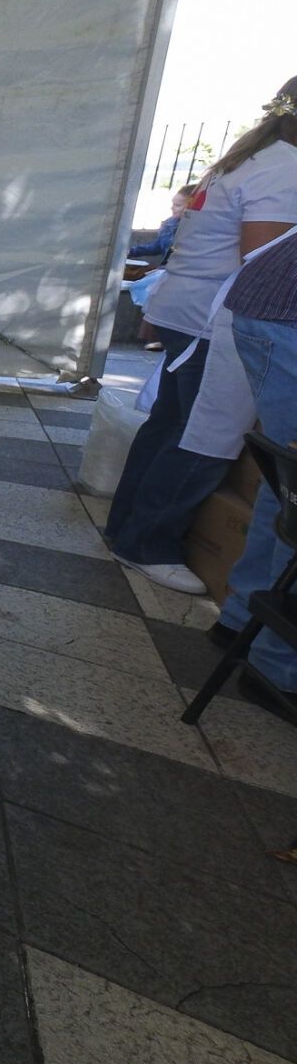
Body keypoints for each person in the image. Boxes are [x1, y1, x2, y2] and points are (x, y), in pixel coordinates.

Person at [106, 80, 297, 593]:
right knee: (204, 437)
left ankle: (126, 530)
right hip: (216, 320)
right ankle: (146, 543)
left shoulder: (256, 158)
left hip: (191, 308)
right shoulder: (286, 170)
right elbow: (265, 265)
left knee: (171, 426)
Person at [205, 226, 297, 720]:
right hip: (287, 316)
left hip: (273, 308)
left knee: (290, 483)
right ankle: (276, 667)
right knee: (296, 490)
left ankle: (244, 623)